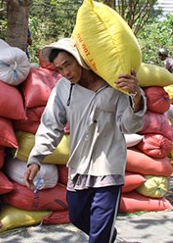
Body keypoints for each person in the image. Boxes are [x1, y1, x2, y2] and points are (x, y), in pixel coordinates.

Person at [23, 38, 146, 243]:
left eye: (68, 64)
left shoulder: (114, 84)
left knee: (98, 233)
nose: (65, 73)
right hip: (79, 165)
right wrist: (36, 159)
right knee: (77, 217)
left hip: (108, 166)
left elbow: (129, 126)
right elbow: (51, 124)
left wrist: (136, 96)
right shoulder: (63, 88)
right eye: (60, 69)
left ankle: (103, 237)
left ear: (80, 59)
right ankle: (108, 236)